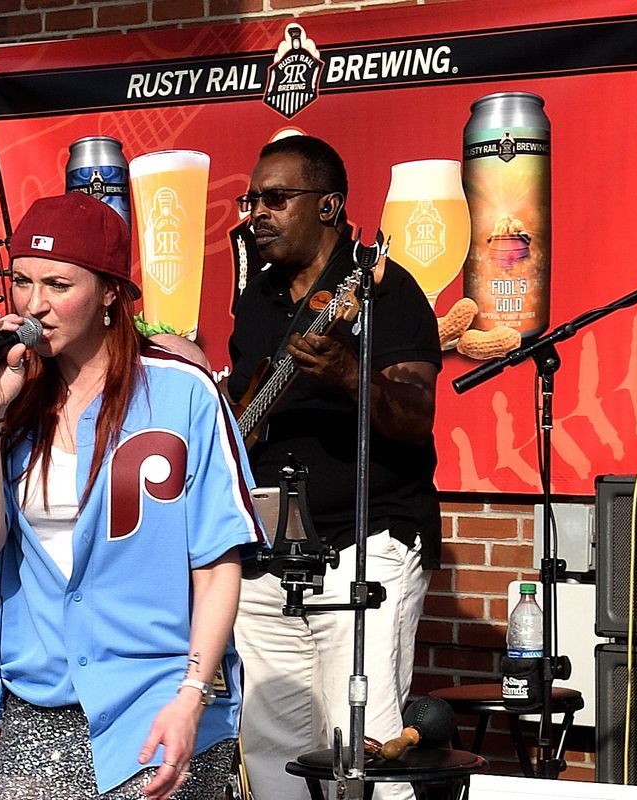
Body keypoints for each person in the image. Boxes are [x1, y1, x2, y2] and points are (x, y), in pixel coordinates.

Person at [0, 192, 260, 800]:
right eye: (23, 283)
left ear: (111, 291)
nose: (36, 306)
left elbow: (218, 564)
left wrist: (193, 694)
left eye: (59, 285)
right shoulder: (0, 397)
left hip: (158, 701)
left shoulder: (180, 391)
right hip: (40, 705)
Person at [226, 135, 441, 800]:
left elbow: (415, 417)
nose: (257, 213)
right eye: (251, 199)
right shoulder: (257, 299)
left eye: (276, 198)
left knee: (366, 746)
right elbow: (247, 410)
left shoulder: (380, 287)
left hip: (364, 542)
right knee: (269, 747)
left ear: (330, 206)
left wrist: (352, 375)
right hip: (270, 553)